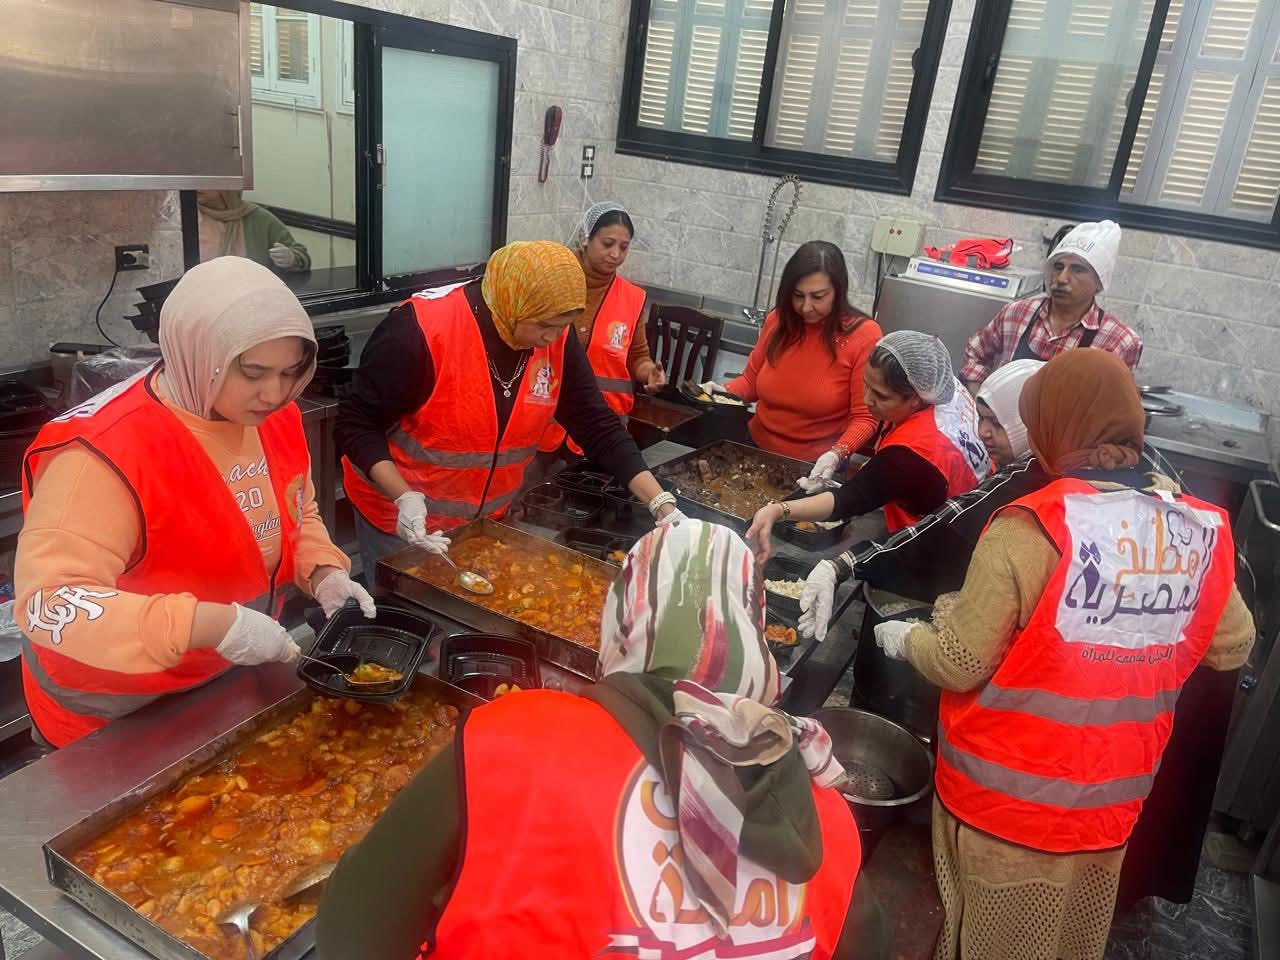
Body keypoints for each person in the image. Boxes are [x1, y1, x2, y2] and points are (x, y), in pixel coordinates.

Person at [317, 520, 875, 960]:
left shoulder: (516, 740)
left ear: (621, 624)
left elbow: (352, 934)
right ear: (756, 633)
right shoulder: (828, 815)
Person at [871, 349, 1254, 960]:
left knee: (989, 940)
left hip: (1003, 804)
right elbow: (1232, 644)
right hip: (1108, 801)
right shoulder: (1189, 532)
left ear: (1052, 427)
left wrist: (903, 638)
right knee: (1068, 935)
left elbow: (959, 663)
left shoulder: (1029, 527)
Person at [15, 258, 370, 748]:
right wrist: (215, 625)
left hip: (217, 680)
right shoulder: (103, 454)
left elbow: (296, 512)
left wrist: (324, 571)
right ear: (200, 355)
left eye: (292, 372)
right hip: (115, 710)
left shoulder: (275, 417)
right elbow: (50, 603)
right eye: (253, 373)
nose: (275, 393)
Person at [337, 241, 681, 575]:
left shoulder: (557, 338)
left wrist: (660, 503)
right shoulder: (420, 331)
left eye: (562, 326)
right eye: (543, 325)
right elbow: (356, 423)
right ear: (512, 302)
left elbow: (596, 424)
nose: (552, 338)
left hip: (483, 523)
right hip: (402, 521)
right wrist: (403, 497)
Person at [798, 359, 1048, 640]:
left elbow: (943, 527)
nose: (982, 432)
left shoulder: (1025, 477)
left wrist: (841, 564)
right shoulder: (1023, 460)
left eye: (998, 424)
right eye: (982, 418)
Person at [747, 331, 989, 565]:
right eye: (866, 385)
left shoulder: (910, 455)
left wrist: (779, 510)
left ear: (915, 398)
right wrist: (838, 453)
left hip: (933, 548)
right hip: (963, 512)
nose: (867, 400)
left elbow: (848, 500)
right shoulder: (943, 387)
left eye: (881, 396)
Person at [704, 242, 881, 480]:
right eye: (798, 296)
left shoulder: (863, 335)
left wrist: (838, 453)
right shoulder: (778, 320)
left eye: (818, 296)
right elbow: (751, 382)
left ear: (838, 291)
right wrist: (722, 393)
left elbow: (865, 417)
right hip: (755, 449)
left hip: (817, 466)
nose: (806, 307)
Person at [538, 201, 666, 458]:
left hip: (599, 429)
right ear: (585, 238)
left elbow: (637, 357)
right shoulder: (551, 281)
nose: (616, 254)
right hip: (544, 420)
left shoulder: (632, 298)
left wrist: (650, 373)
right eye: (607, 244)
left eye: (624, 247)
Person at [961, 220, 1142, 392]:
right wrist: (979, 404)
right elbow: (976, 351)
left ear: (1099, 282)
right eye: (1058, 267)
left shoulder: (1119, 342)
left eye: (1078, 269)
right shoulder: (1017, 313)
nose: (1061, 278)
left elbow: (1111, 407)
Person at [197, 191, 311, 273]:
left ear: (228, 186)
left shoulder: (258, 218)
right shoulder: (189, 215)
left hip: (252, 295)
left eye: (206, 179)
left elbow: (300, 255)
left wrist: (291, 259)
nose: (197, 185)